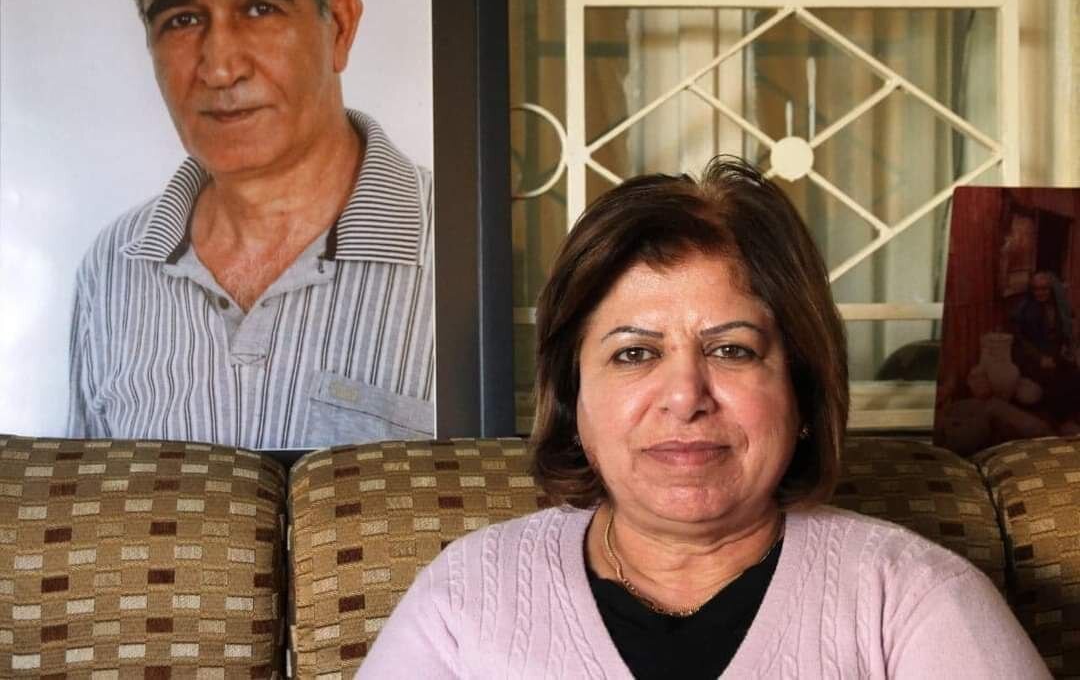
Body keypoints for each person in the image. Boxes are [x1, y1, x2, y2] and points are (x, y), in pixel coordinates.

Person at [359, 158, 1047, 678]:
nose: (685, 396)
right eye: (634, 353)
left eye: (731, 350)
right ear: (572, 398)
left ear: (803, 387)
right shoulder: (469, 592)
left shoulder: (912, 599)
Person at [66, 0, 433, 448]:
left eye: (259, 8)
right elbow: (88, 495)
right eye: (181, 19)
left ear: (339, 25)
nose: (220, 69)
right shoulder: (112, 268)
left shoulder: (461, 249)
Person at [1011, 271, 1080, 433]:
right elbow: (1021, 341)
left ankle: (1073, 415)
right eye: (1036, 289)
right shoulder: (1025, 310)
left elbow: (1064, 331)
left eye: (1044, 288)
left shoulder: (1056, 306)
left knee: (1074, 373)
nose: (1040, 293)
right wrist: (1040, 358)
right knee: (1056, 379)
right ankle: (1061, 421)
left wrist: (1067, 348)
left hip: (1053, 353)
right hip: (1031, 357)